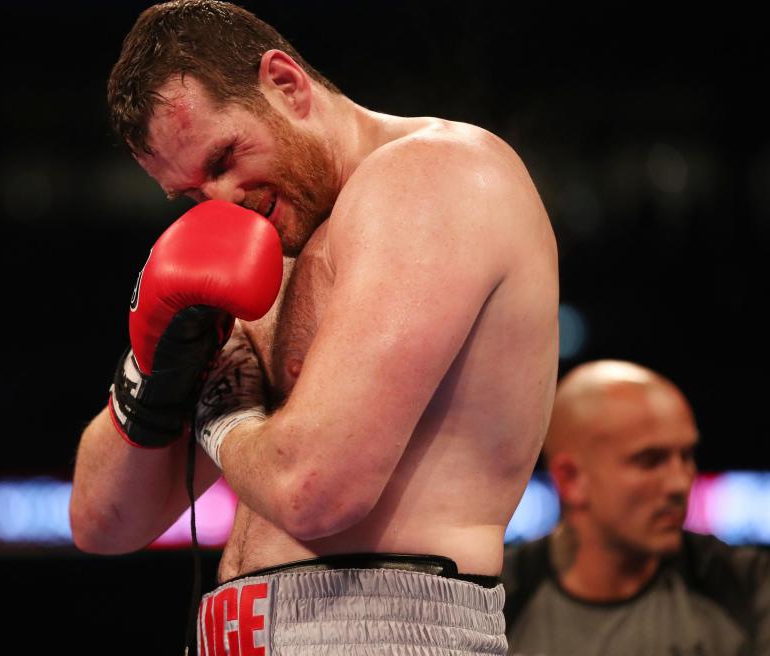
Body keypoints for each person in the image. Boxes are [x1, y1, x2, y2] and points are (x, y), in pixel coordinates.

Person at [70, 1, 559, 653]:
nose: (220, 204)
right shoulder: (259, 254)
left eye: (224, 157)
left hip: (384, 625)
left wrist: (216, 410)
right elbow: (103, 522)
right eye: (189, 194)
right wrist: (151, 366)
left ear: (286, 84)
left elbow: (313, 491)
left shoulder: (438, 173)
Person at [502, 359, 770, 655]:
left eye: (687, 455)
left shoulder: (749, 586)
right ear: (572, 478)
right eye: (650, 460)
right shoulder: (498, 601)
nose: (680, 484)